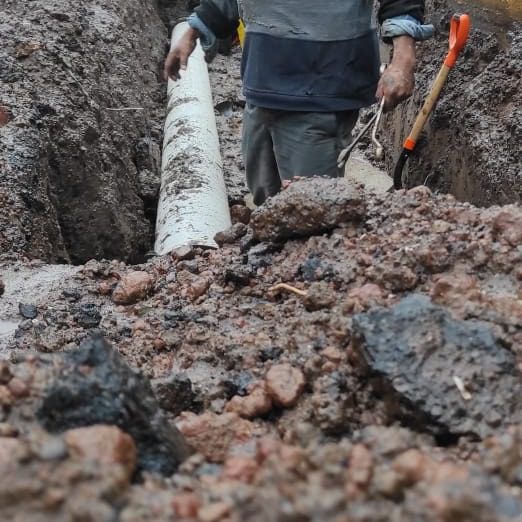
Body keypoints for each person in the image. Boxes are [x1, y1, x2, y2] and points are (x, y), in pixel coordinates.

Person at [164, 1, 434, 205]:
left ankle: (315, 275)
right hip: (263, 81)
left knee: (313, 209)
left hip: (323, 88)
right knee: (265, 197)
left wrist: (403, 59)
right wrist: (194, 29)